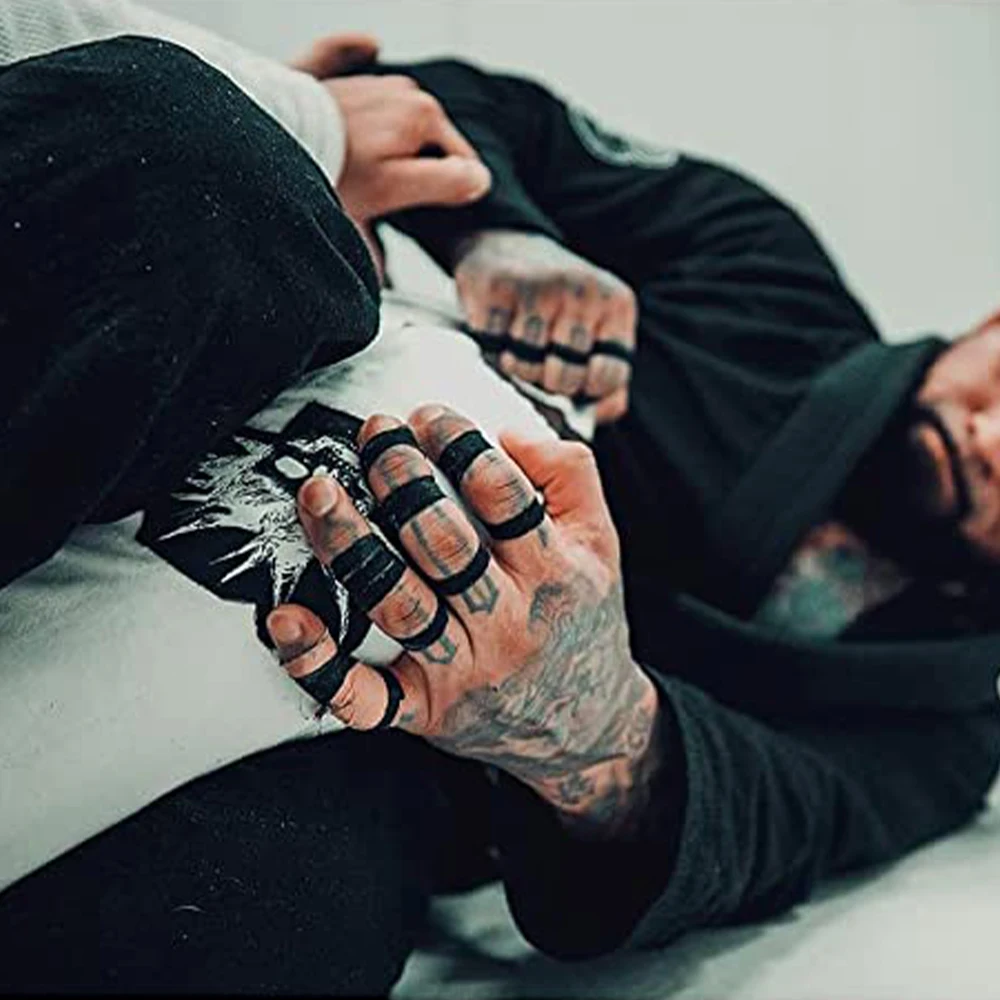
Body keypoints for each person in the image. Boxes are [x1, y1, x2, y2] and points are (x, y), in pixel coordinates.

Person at [0, 1, 998, 994]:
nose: (994, 445)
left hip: (369, 726)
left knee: (277, 921)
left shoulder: (942, 703)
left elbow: (773, 819)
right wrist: (504, 235)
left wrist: (593, 721)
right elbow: (460, 114)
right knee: (186, 155)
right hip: (226, 370)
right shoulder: (765, 270)